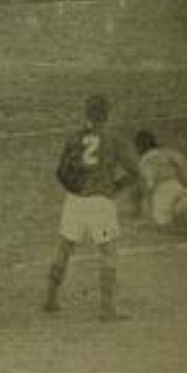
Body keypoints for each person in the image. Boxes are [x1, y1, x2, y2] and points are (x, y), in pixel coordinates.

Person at [44, 95, 139, 321]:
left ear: (86, 112)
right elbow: (135, 171)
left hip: (75, 199)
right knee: (108, 251)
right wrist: (114, 188)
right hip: (101, 200)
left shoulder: (75, 137)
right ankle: (107, 308)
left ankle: (51, 298)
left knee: (64, 247)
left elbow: (61, 172)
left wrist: (76, 189)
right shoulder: (113, 137)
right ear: (107, 113)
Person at [134, 129, 187, 233]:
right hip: (175, 186)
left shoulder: (143, 162)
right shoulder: (168, 153)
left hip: (160, 192)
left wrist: (149, 207)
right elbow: (186, 170)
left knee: (164, 224)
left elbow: (146, 188)